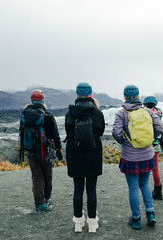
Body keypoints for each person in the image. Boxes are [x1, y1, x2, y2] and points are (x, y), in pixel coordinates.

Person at [112, 85, 163, 230]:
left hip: (130, 156)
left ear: (125, 97)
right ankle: (151, 213)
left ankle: (135, 218)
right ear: (138, 96)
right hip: (147, 154)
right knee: (145, 184)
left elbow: (116, 133)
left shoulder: (122, 113)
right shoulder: (147, 111)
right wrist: (149, 138)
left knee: (133, 188)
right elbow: (160, 127)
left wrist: (125, 142)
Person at [65, 82, 105, 233]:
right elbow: (100, 131)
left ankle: (78, 223)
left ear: (76, 95)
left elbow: (69, 132)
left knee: (77, 188)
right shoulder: (97, 112)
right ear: (91, 94)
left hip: (75, 153)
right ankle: (93, 223)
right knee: (92, 189)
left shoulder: (70, 112)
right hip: (93, 153)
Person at [19, 89, 63, 213]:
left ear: (32, 100)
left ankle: (39, 203)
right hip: (45, 150)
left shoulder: (25, 114)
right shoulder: (47, 114)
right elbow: (55, 134)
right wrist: (59, 149)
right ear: (43, 100)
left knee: (37, 177)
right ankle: (46, 199)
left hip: (30, 150)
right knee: (47, 176)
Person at [143, 96, 163, 200]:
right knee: (155, 168)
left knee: (144, 167)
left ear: (145, 103)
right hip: (156, 144)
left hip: (145, 143)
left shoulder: (143, 112)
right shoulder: (159, 112)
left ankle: (144, 188)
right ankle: (158, 190)